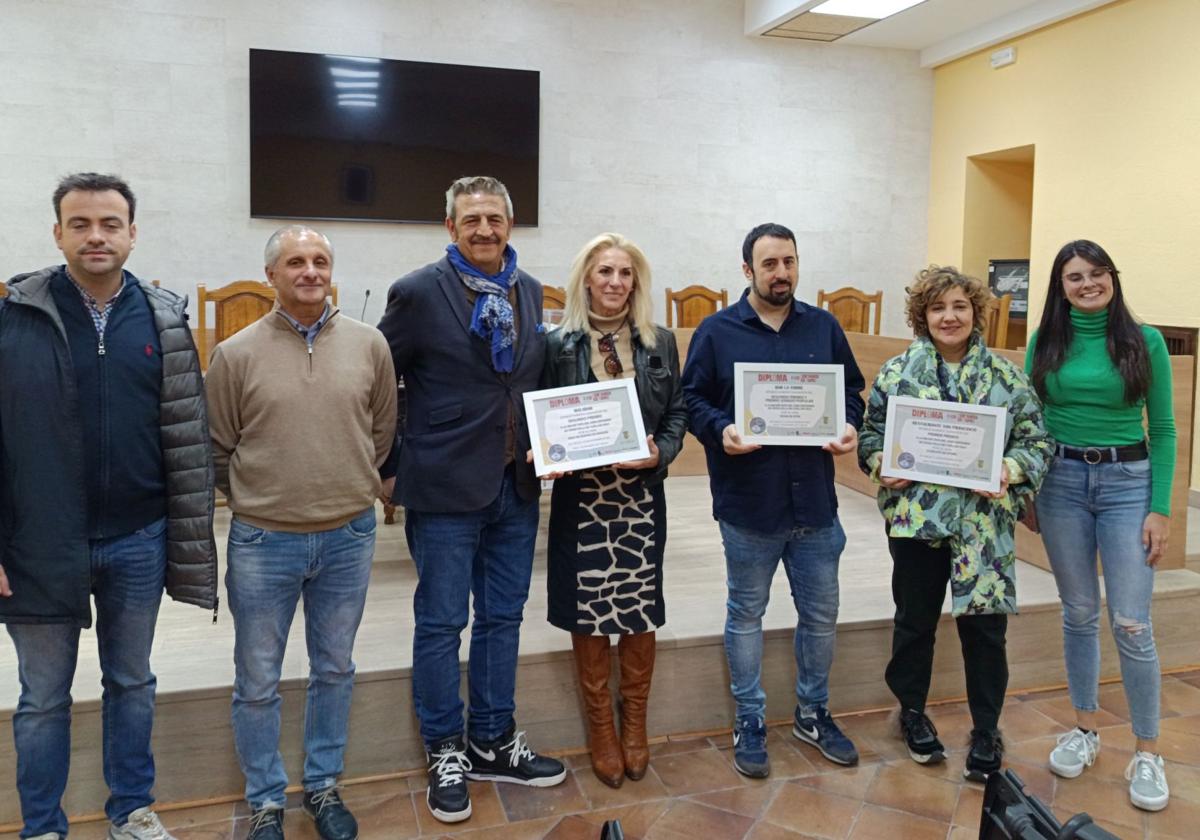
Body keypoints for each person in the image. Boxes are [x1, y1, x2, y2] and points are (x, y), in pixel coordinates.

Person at [0, 173, 218, 840]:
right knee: (41, 700)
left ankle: (132, 809)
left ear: (132, 232)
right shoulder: (14, 318)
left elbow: (185, 433)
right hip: (37, 543)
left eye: (110, 224)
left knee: (132, 680)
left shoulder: (162, 318)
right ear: (58, 232)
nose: (96, 236)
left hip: (137, 537)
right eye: (81, 223)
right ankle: (42, 826)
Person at [377, 176, 565, 824]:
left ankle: (492, 738)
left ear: (509, 225)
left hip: (514, 487)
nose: (484, 229)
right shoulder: (418, 292)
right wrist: (390, 463)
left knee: (502, 619)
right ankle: (445, 748)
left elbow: (530, 381)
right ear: (450, 227)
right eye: (471, 219)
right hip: (443, 488)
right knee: (440, 624)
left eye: (494, 218)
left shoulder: (532, 290)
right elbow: (379, 378)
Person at [205, 226, 398, 840]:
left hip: (349, 534)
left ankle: (323, 786)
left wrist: (350, 485)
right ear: (272, 276)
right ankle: (265, 799)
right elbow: (217, 446)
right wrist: (263, 498)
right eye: (295, 262)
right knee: (258, 677)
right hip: (264, 540)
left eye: (319, 261)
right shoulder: (235, 354)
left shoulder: (371, 345)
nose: (309, 271)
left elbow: (383, 431)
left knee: (335, 667)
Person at [681, 222, 865, 779]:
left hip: (814, 503)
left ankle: (812, 714)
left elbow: (850, 392)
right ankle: (751, 720)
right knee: (746, 616)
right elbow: (691, 399)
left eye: (789, 261)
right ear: (747, 271)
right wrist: (722, 430)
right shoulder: (716, 331)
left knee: (821, 617)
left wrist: (850, 427)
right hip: (749, 503)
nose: (781, 272)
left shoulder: (824, 326)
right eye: (769, 264)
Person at [858, 265, 1052, 782]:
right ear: (922, 316)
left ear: (976, 313)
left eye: (959, 306)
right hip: (919, 521)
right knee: (914, 622)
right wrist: (882, 465)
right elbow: (871, 436)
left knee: (986, 631)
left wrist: (1008, 470)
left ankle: (986, 728)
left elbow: (1036, 442)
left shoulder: (1007, 377)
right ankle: (912, 714)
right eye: (938, 307)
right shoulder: (898, 374)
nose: (949, 316)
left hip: (983, 527)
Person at [1026, 240, 1176, 811]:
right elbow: (1030, 421)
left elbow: (1162, 429)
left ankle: (1148, 750)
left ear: (1112, 277)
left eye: (1096, 274)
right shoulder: (1045, 341)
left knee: (1133, 621)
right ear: (1060, 288)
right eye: (1073, 277)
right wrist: (1030, 489)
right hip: (1061, 482)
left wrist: (1159, 507)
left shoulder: (1146, 341)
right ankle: (1085, 729)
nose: (1087, 284)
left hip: (1127, 484)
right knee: (1080, 613)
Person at [540, 233, 689, 788]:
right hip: (584, 501)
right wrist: (544, 454)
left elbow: (676, 414)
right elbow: (543, 413)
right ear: (586, 279)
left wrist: (661, 451)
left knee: (639, 609)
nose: (615, 283)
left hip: (641, 498)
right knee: (588, 611)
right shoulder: (557, 344)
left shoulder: (660, 342)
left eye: (625, 274)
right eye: (604, 272)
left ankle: (635, 726)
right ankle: (602, 728)